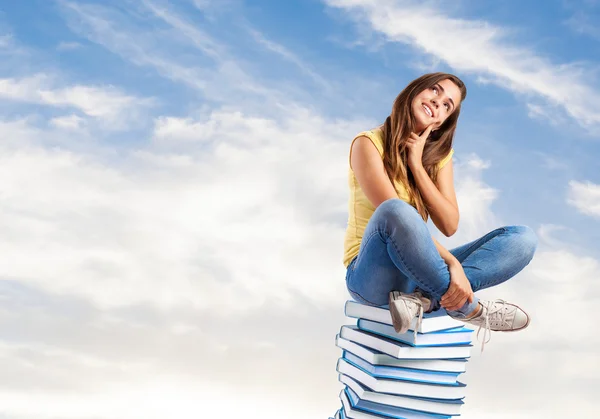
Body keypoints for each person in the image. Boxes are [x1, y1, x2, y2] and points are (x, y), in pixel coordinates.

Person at [343, 72, 537, 350]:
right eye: (434, 91)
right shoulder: (367, 143)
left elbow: (449, 224)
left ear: (441, 124)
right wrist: (453, 265)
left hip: (416, 276)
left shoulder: (439, 159)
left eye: (447, 105)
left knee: (522, 239)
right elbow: (390, 213)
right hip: (370, 275)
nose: (437, 103)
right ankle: (470, 308)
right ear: (414, 91)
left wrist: (417, 166)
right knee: (396, 211)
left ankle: (423, 300)